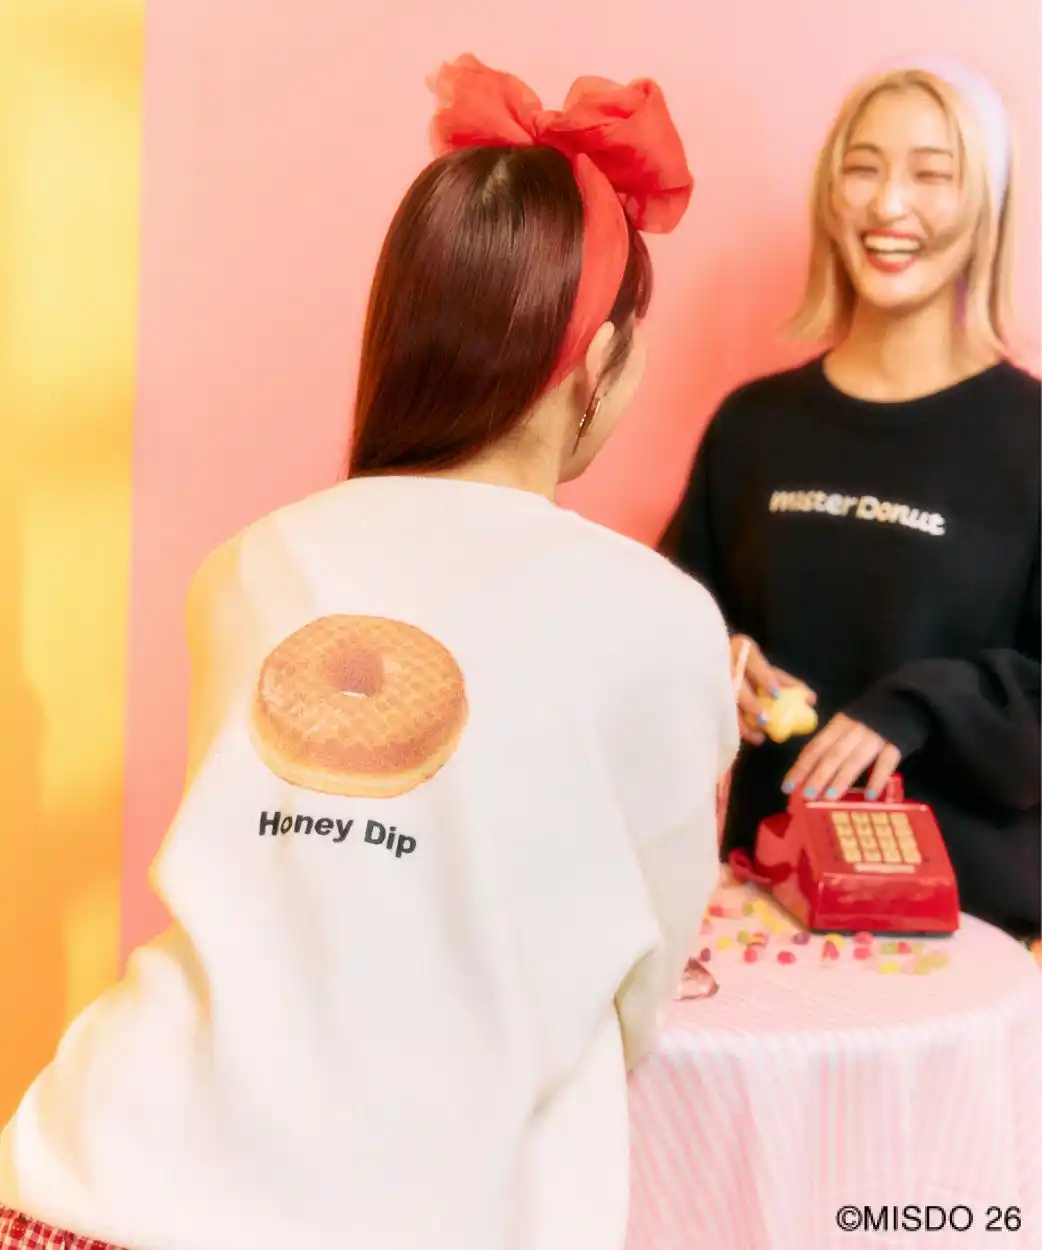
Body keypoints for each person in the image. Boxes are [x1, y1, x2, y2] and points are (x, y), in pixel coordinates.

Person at [0, 55, 737, 1250]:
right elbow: (641, 988)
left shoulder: (246, 567)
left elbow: (291, 877)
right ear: (598, 360)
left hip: (93, 1179)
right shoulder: (659, 619)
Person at [664, 59, 1040, 953]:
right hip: (763, 918)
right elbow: (662, 629)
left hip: (963, 940)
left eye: (932, 174)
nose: (888, 204)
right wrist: (717, 662)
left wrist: (916, 707)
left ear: (986, 203)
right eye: (863, 168)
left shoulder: (1029, 439)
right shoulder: (753, 426)